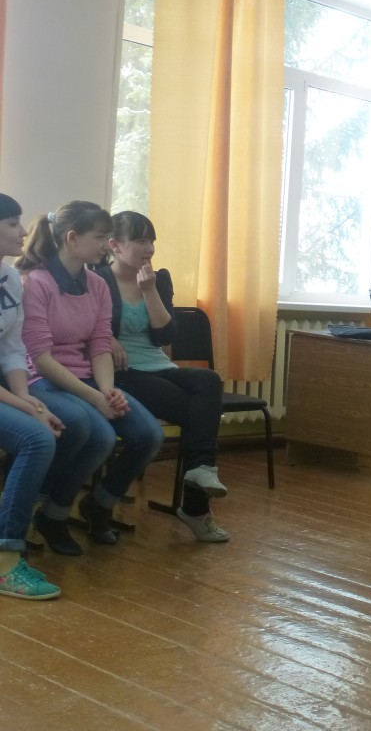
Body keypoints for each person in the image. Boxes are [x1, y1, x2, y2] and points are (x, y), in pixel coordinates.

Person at [17, 200, 164, 551]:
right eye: (99, 237)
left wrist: (108, 390)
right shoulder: (36, 282)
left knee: (149, 435)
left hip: (86, 378)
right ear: (72, 238)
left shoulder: (97, 285)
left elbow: (100, 344)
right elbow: (40, 358)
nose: (105, 245)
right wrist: (96, 398)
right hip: (42, 379)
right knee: (96, 434)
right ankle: (50, 514)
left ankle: (99, 504)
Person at [95, 210, 229, 542]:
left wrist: (150, 291)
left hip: (159, 365)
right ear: (114, 245)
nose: (149, 248)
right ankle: (196, 510)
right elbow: (83, 327)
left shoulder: (159, 279)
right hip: (121, 372)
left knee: (208, 380)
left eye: (152, 241)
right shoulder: (97, 279)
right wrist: (106, 338)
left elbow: (166, 335)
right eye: (140, 240)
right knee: (199, 415)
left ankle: (202, 470)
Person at [0, 193, 63, 599]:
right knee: (37, 438)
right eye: (12, 224)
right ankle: (6, 563)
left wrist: (30, 399)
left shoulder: (10, 279)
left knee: (44, 430)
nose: (23, 231)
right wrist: (26, 406)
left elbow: (11, 349)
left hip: (7, 387)